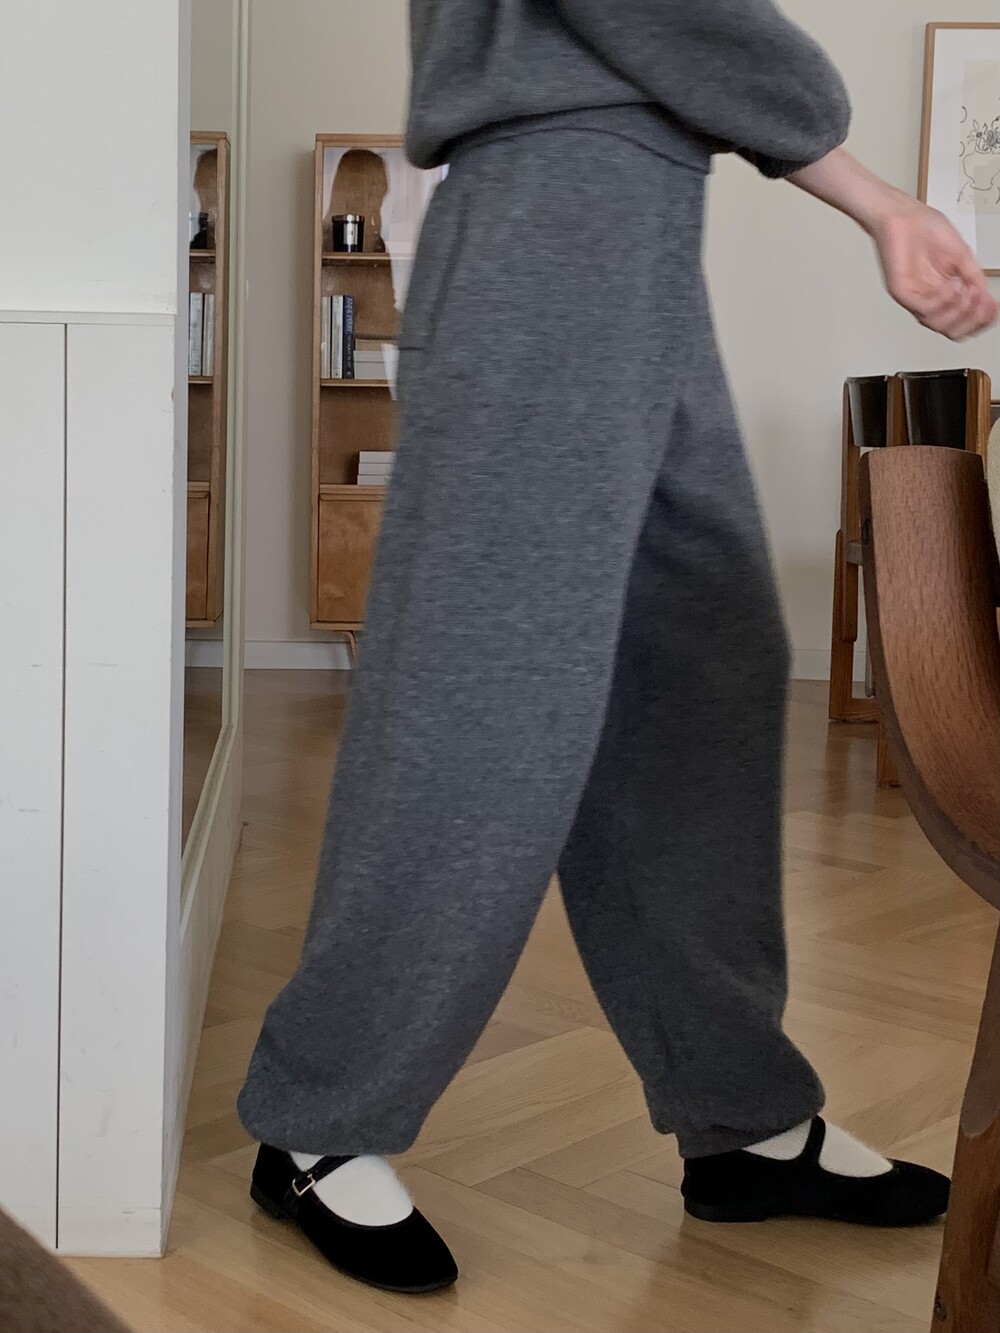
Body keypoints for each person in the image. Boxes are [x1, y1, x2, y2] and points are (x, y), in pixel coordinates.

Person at [237, 0, 999, 1294]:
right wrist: (869, 191)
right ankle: (321, 1115)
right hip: (552, 207)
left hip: (641, 219)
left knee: (699, 671)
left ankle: (743, 1117)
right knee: (491, 694)